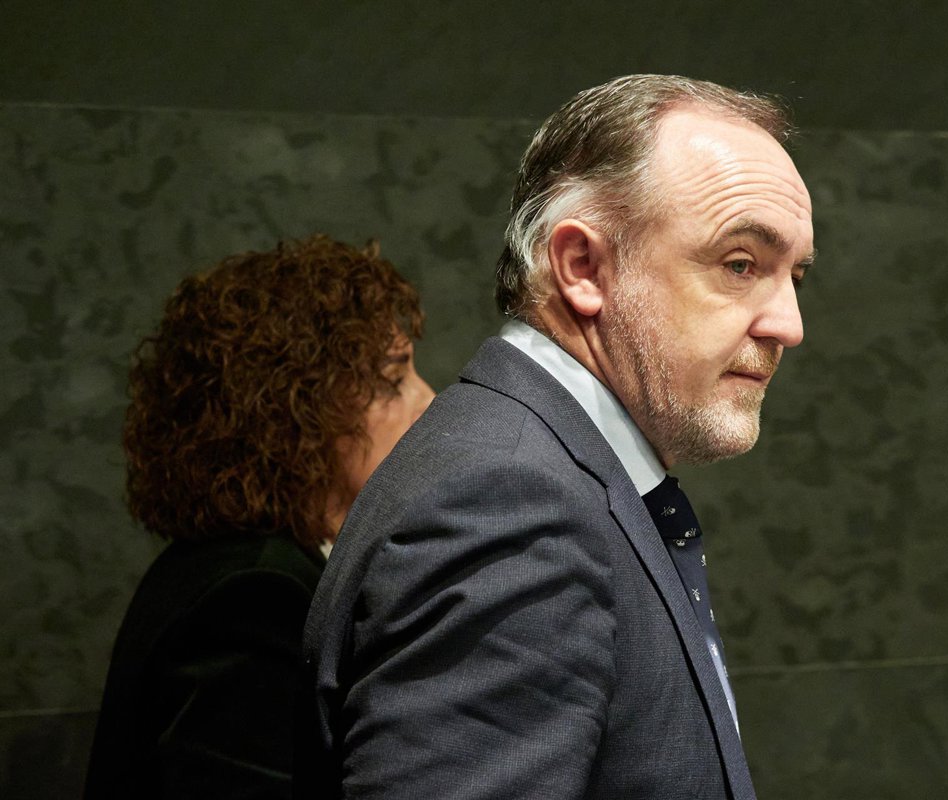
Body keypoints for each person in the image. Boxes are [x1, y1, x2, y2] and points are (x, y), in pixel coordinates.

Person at [304, 74, 814, 800]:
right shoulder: (507, 507)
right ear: (583, 268)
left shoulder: (543, 474)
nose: (789, 325)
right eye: (740, 264)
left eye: (797, 276)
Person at [84, 236, 434, 799]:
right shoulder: (254, 597)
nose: (430, 400)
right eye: (393, 380)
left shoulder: (238, 568)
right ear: (300, 408)